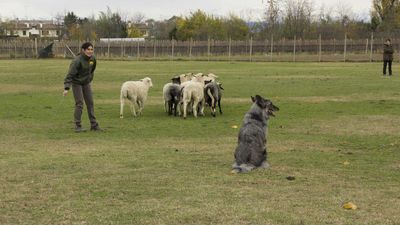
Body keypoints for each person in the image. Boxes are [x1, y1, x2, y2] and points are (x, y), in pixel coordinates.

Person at [63, 42, 103, 132]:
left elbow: (92, 70)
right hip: (76, 83)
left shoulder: (93, 59)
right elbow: (70, 75)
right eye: (88, 49)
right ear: (83, 50)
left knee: (90, 103)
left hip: (86, 83)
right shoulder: (77, 61)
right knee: (80, 104)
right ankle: (78, 126)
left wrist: (89, 80)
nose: (90, 51)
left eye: (91, 49)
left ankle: (94, 125)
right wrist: (66, 88)